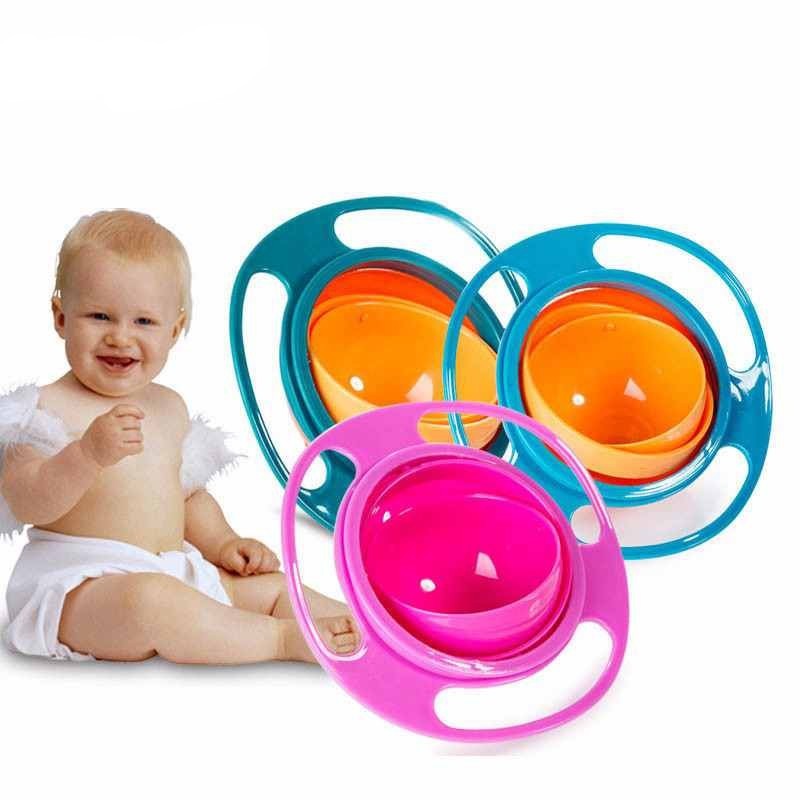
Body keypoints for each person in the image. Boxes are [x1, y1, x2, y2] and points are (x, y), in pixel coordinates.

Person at [0, 209, 357, 663]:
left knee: (271, 587)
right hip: (82, 589)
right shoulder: (41, 410)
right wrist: (86, 454)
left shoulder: (169, 407)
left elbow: (187, 498)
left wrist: (225, 543)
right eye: (99, 315)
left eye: (143, 322)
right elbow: (28, 501)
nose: (120, 337)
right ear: (61, 317)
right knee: (150, 602)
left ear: (175, 329)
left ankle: (366, 632)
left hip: (171, 568)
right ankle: (281, 640)